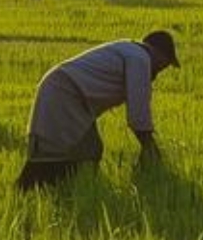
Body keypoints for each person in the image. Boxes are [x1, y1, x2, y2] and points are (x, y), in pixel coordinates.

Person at [16, 30, 179, 190]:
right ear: (157, 52)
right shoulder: (140, 58)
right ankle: (32, 193)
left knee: (89, 150)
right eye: (165, 63)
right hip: (66, 94)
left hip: (68, 93)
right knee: (56, 154)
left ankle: (79, 193)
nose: (162, 70)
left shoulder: (130, 50)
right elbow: (138, 110)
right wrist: (149, 146)